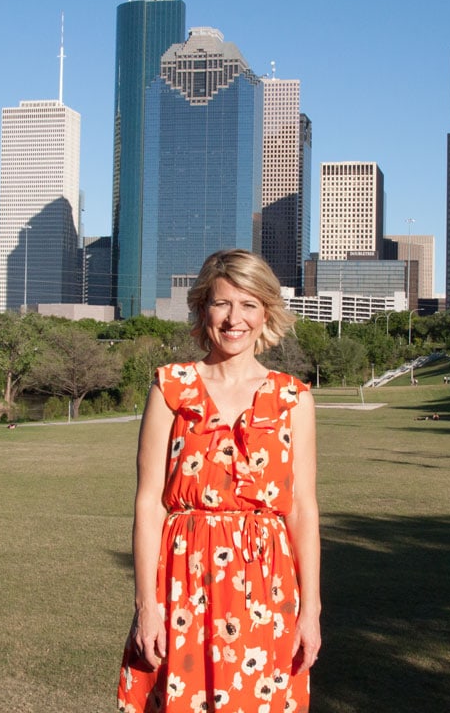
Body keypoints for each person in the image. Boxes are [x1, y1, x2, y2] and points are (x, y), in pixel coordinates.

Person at [118, 249, 321, 713]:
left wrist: (310, 609)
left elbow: (302, 510)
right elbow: (149, 504)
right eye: (222, 303)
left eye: (248, 304)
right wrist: (147, 606)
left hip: (267, 590)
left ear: (266, 312)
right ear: (202, 309)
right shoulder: (171, 387)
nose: (234, 319)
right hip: (182, 583)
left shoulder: (293, 399)